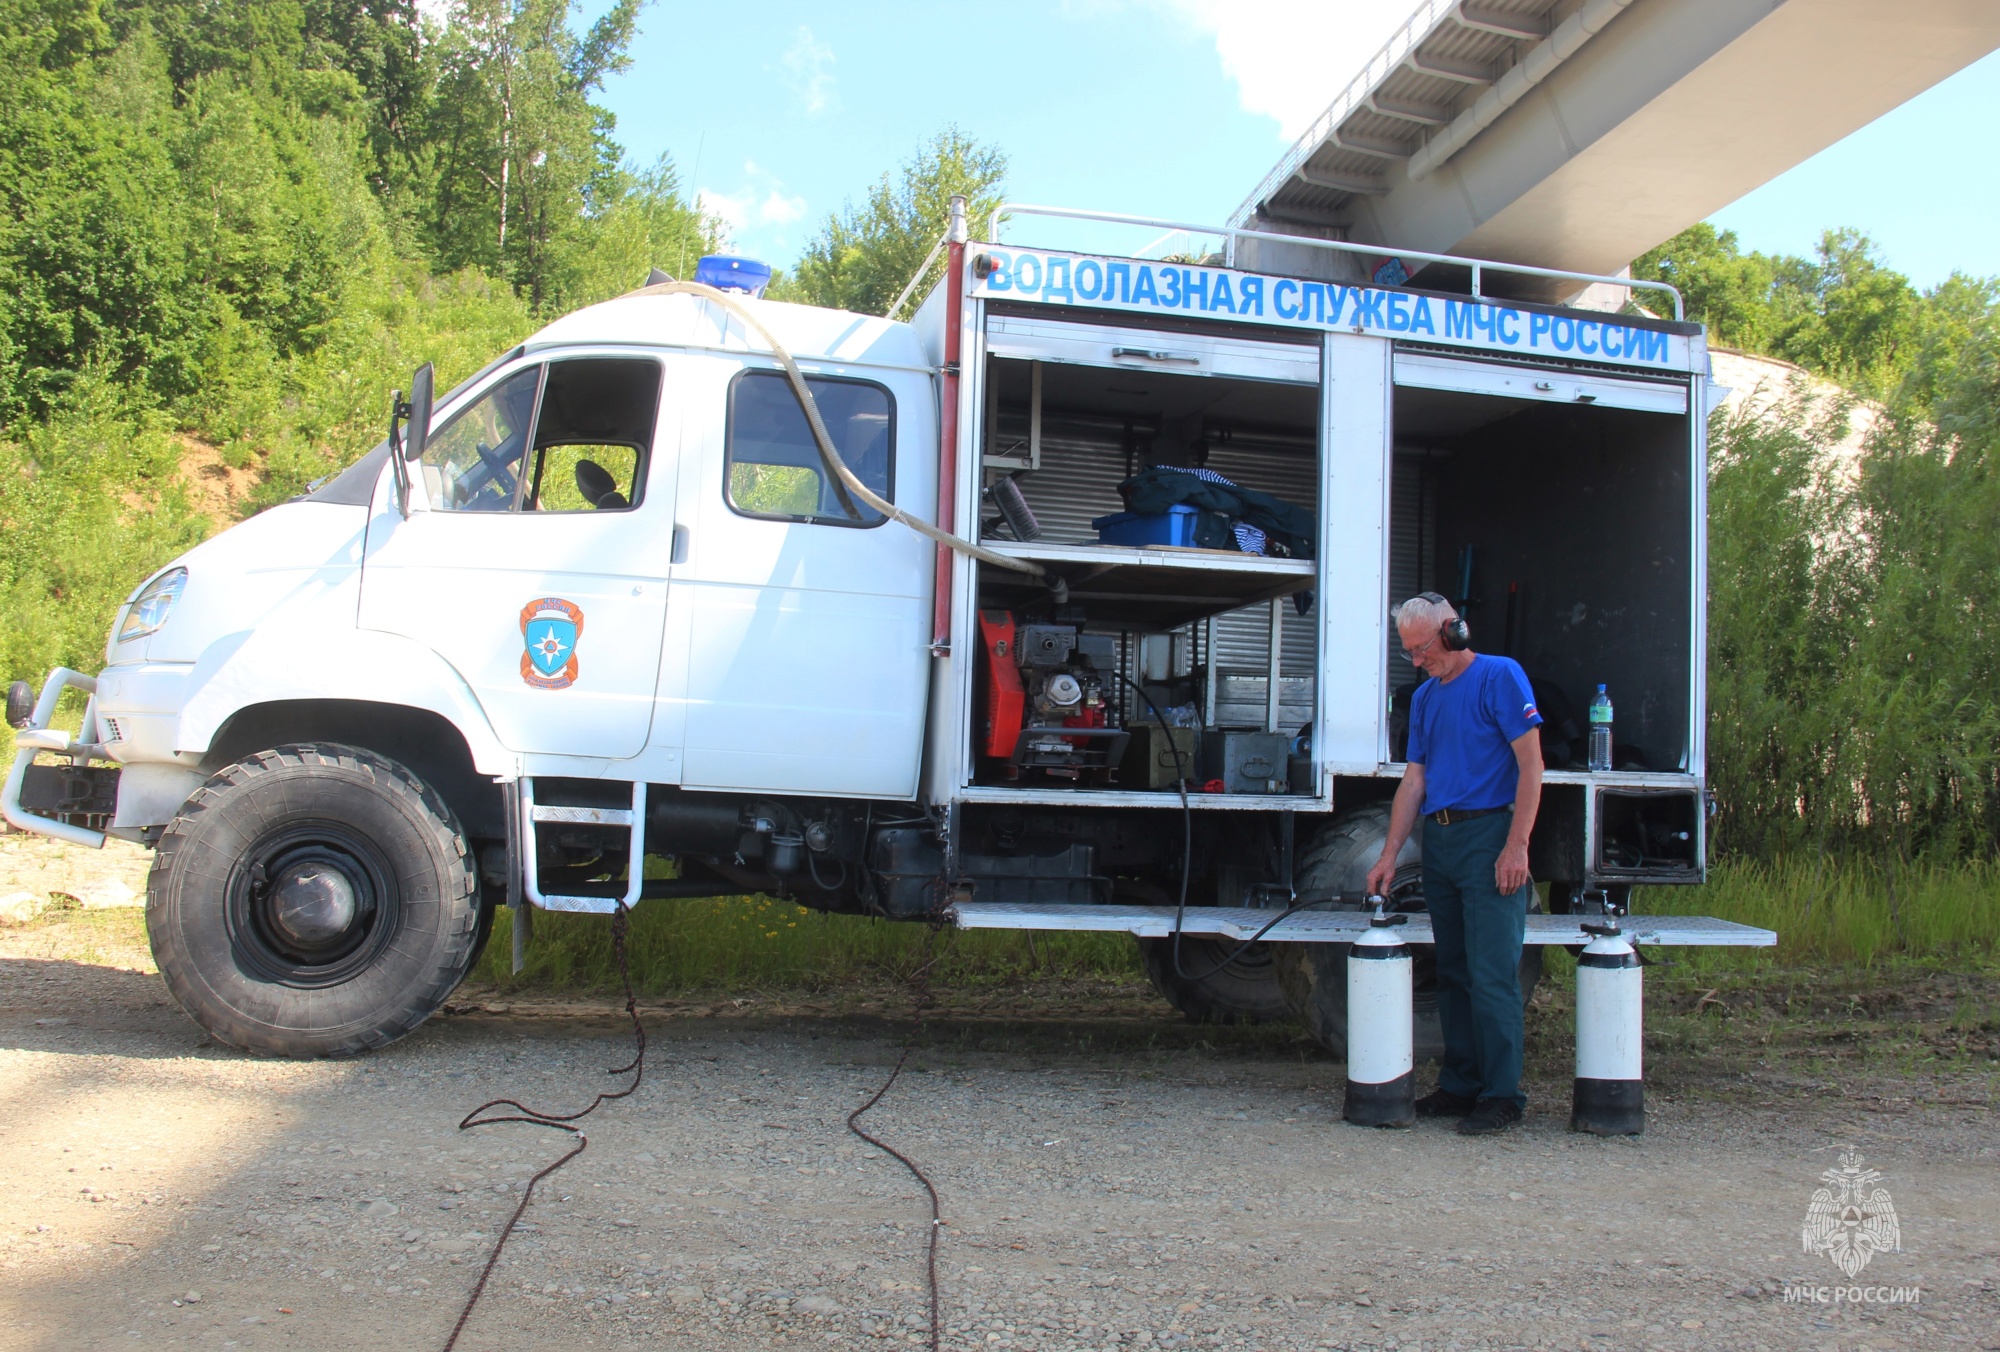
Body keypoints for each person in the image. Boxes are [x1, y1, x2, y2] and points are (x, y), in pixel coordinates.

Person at [1365, 593, 1543, 1136]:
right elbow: (1413, 780)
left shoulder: (1500, 677)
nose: (1417, 661)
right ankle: (1462, 1083)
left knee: (1492, 975)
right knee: (1454, 973)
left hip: (1490, 835)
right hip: (1440, 842)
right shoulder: (1424, 698)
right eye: (1409, 653)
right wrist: (1390, 853)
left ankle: (1502, 1093)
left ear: (1454, 632)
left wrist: (1517, 845)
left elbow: (1531, 765)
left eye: (1422, 649)